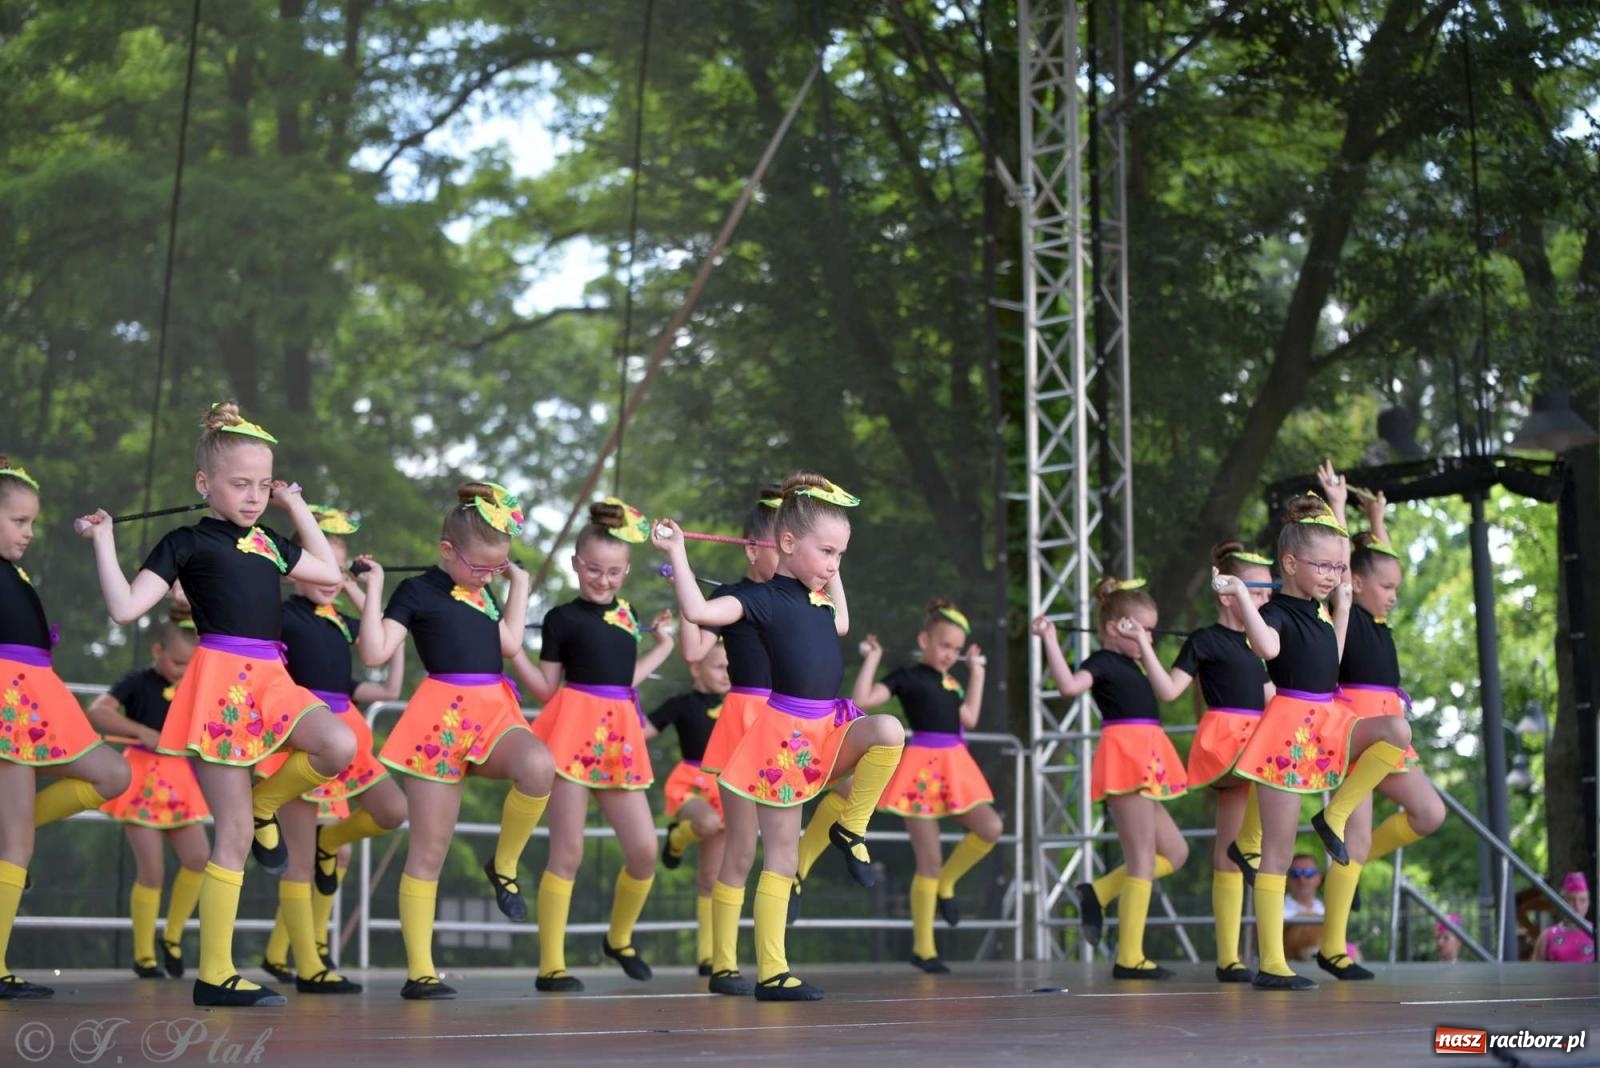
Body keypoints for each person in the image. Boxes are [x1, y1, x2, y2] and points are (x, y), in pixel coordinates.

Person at [80, 404, 355, 1007]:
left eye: (263, 485)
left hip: (273, 677)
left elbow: (330, 573)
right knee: (229, 837)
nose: (254, 497)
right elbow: (126, 608)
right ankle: (215, 974)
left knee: (339, 744)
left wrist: (296, 505)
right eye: (240, 484)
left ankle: (267, 803)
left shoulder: (270, 540)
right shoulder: (184, 542)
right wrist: (105, 541)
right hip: (221, 684)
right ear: (205, 484)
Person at [654, 471, 906, 1002]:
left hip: (821, 725)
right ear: (779, 545)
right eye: (828, 551)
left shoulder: (814, 601)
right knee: (746, 849)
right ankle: (733, 964)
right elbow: (698, 620)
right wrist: (678, 553)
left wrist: (832, 560)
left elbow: (840, 620)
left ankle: (850, 829)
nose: (835, 563)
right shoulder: (753, 598)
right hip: (767, 726)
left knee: (887, 731)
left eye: (839, 553)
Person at [364, 481, 554, 1000]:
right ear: (447, 551)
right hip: (439, 720)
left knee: (539, 765)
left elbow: (510, 644)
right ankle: (420, 971)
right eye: (481, 568)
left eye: (498, 567)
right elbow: (376, 651)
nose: (488, 576)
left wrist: (515, 586)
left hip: (493, 710)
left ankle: (505, 864)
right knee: (429, 848)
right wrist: (376, 587)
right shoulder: (417, 592)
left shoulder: (485, 590)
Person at [1229, 462, 1411, 991]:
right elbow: (1265, 648)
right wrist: (1245, 598)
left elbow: (1344, 569)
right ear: (1290, 563)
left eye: (1339, 569)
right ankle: (1272, 962)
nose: (1335, 576)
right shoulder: (1281, 612)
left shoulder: (1325, 611)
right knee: (1278, 852)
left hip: (1330, 720)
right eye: (1324, 568)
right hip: (1288, 728)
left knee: (1396, 734)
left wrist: (1341, 510)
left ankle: (1334, 814)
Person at [516, 499, 675, 992]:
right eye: (593, 570)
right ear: (575, 564)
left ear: (625, 571)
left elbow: (624, 680)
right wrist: (511, 651)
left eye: (613, 572)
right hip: (570, 731)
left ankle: (619, 938)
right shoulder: (561, 619)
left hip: (619, 735)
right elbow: (545, 689)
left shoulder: (628, 615)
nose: (602, 580)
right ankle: (552, 964)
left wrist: (665, 646)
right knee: (569, 850)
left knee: (645, 850)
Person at [257, 505, 405, 993]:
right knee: (299, 860)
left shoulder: (342, 622)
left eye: (339, 568)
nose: (330, 576)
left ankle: (331, 841)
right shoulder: (280, 613)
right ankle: (309, 963)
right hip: (301, 732)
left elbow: (377, 672)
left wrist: (370, 595)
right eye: (319, 563)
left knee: (391, 810)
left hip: (346, 734)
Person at [0, 460, 132, 1000]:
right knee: (16, 845)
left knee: (112, 772)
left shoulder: (15, 571)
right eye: (18, 520)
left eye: (32, 522)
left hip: (39, 692)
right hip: (8, 695)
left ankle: (14, 827)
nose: (28, 532)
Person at [1315, 489, 1446, 981]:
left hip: (1392, 730)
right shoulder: (1344, 603)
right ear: (1356, 580)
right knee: (1357, 835)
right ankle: (1333, 947)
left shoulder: (1380, 618)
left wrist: (1378, 518)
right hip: (1357, 726)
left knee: (1429, 812)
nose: (1393, 593)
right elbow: (1347, 563)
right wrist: (1338, 505)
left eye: (1396, 586)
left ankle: (1352, 854)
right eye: (1386, 585)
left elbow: (1380, 563)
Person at [1035, 579, 1190, 980]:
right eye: (1140, 628)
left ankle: (1100, 891)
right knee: (1141, 860)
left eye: (1151, 630)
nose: (1147, 636)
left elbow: (1167, 688)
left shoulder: (1139, 664)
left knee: (1175, 853)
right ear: (1114, 627)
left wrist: (1146, 644)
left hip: (1148, 757)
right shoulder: (1102, 662)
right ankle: (1130, 956)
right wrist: (1050, 639)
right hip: (1125, 758)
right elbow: (1068, 687)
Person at [1136, 540, 1275, 982]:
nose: (1265, 599)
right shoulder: (1206, 640)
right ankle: (1231, 956)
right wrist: (1143, 646)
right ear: (1225, 592)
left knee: (1229, 850)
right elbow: (1170, 691)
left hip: (1263, 737)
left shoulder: (1264, 643)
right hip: (1229, 740)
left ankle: (1229, 959)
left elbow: (1274, 697)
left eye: (1267, 592)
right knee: (1237, 843)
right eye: (1254, 591)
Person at [671, 487, 781, 996]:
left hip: (791, 722)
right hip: (745, 720)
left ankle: (775, 962)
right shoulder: (733, 599)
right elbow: (694, 644)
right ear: (753, 547)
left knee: (785, 849)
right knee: (738, 848)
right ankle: (724, 962)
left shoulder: (803, 600)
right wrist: (681, 572)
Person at [852, 598, 999, 974]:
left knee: (990, 827)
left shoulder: (952, 682)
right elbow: (863, 701)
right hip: (920, 770)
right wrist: (872, 658)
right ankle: (924, 948)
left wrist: (977, 674)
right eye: (944, 645)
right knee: (928, 860)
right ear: (924, 640)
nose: (950, 654)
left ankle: (948, 885)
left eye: (956, 650)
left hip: (955, 765)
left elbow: (970, 718)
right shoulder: (907, 675)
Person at [86, 616, 211, 979]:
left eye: (189, 664)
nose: (182, 670)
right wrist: (141, 730)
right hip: (141, 778)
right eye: (176, 662)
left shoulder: (194, 685)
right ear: (158, 650)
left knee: (199, 858)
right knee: (151, 871)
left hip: (181, 780)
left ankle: (171, 937)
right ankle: (143, 956)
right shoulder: (137, 682)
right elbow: (98, 712)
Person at [644, 642, 732, 976]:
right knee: (706, 823)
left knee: (712, 879)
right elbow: (642, 732)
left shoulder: (739, 705)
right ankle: (678, 839)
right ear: (696, 668)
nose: (727, 673)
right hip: (692, 783)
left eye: (731, 667)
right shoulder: (680, 704)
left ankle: (710, 956)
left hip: (727, 788)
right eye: (718, 667)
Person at [1532, 873, 1595, 963]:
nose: (1577, 906)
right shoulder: (1547, 936)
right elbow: (1534, 972)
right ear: (1562, 902)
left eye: (1582, 900)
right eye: (1571, 900)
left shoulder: (1595, 934)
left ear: (1588, 903)